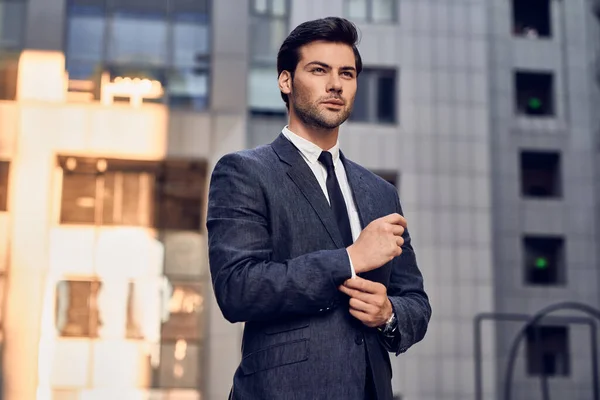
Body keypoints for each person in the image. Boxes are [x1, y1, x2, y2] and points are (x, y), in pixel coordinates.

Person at [206, 17, 431, 400]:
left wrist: (389, 313)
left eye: (347, 73)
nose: (335, 84)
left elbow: (416, 302)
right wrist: (349, 259)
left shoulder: (381, 193)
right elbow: (238, 289)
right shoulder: (244, 172)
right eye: (319, 70)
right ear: (285, 81)